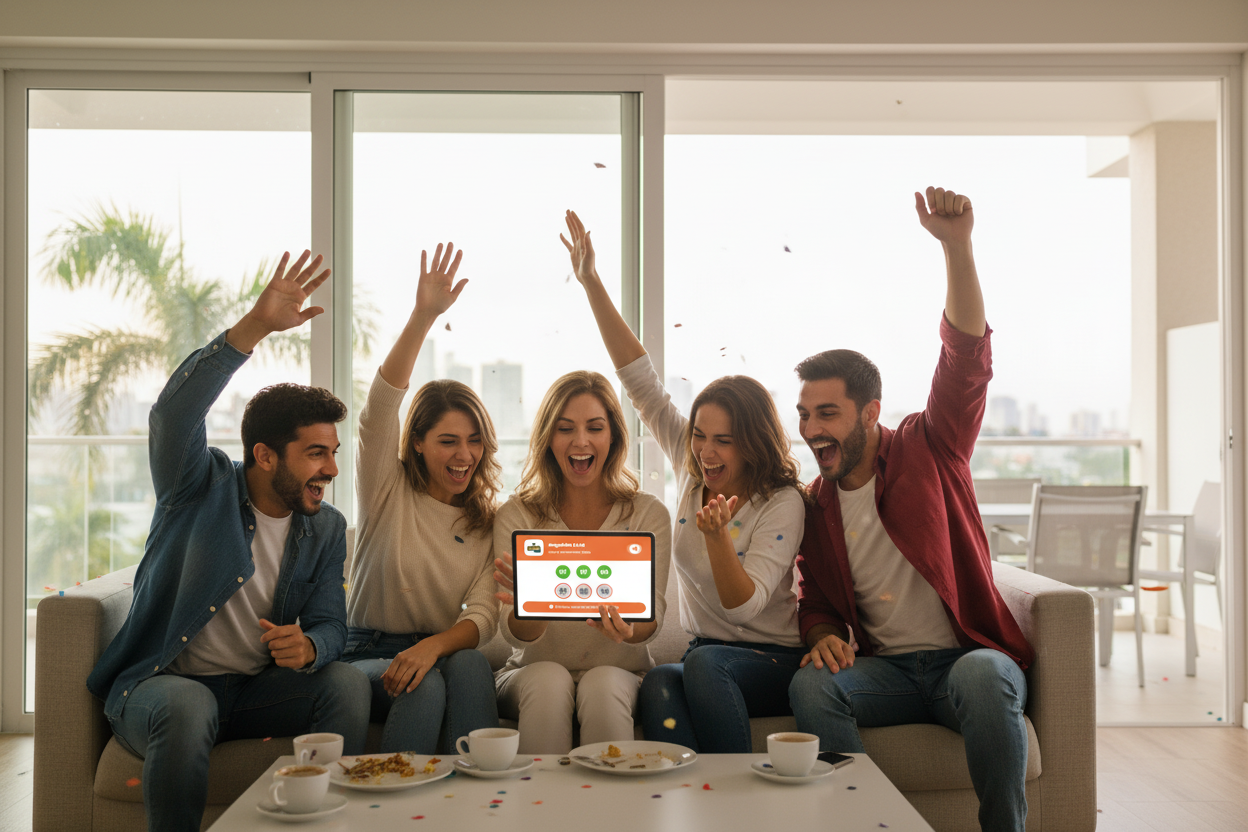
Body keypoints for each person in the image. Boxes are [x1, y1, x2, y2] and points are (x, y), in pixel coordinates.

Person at [86, 251, 371, 832]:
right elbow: (173, 415)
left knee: (342, 682)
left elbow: (331, 624)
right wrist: (255, 328)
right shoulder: (198, 486)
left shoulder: (326, 528)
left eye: (333, 452)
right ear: (264, 456)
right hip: (165, 685)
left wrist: (312, 647)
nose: (331, 470)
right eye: (316, 454)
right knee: (188, 705)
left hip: (253, 691)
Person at [788, 187, 1035, 832]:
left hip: (966, 659)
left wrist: (957, 246)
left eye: (828, 414)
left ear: (871, 412)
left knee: (985, 676)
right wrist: (819, 637)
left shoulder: (934, 444)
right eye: (805, 415)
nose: (813, 429)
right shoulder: (815, 504)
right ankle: (862, 823)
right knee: (811, 686)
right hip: (887, 674)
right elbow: (813, 598)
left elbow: (965, 359)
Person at [560, 210, 808, 753]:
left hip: (772, 659)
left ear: (754, 442)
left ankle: (738, 798)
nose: (705, 450)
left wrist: (719, 537)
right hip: (706, 655)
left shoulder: (782, 502)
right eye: (699, 435)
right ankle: (691, 799)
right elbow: (640, 381)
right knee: (661, 686)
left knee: (700, 667)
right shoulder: (691, 465)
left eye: (724, 440)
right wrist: (592, 283)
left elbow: (744, 607)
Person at [343, 242, 502, 752]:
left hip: (439, 649)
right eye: (448, 441)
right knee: (424, 681)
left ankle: (482, 808)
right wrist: (422, 317)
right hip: (366, 649)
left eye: (474, 440)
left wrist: (435, 646)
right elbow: (378, 411)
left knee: (470, 663)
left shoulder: (484, 522)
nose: (465, 455)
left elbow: (481, 616)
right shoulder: (386, 488)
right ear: (416, 442)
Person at [492, 370, 672, 754]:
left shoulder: (647, 514)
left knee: (603, 683)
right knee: (549, 680)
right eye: (565, 428)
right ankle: (539, 808)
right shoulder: (517, 515)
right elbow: (511, 634)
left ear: (614, 437)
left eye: (595, 427)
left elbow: (651, 617)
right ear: (548, 438)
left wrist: (628, 630)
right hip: (528, 672)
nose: (581, 441)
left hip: (625, 673)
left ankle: (610, 813)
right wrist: (532, 610)